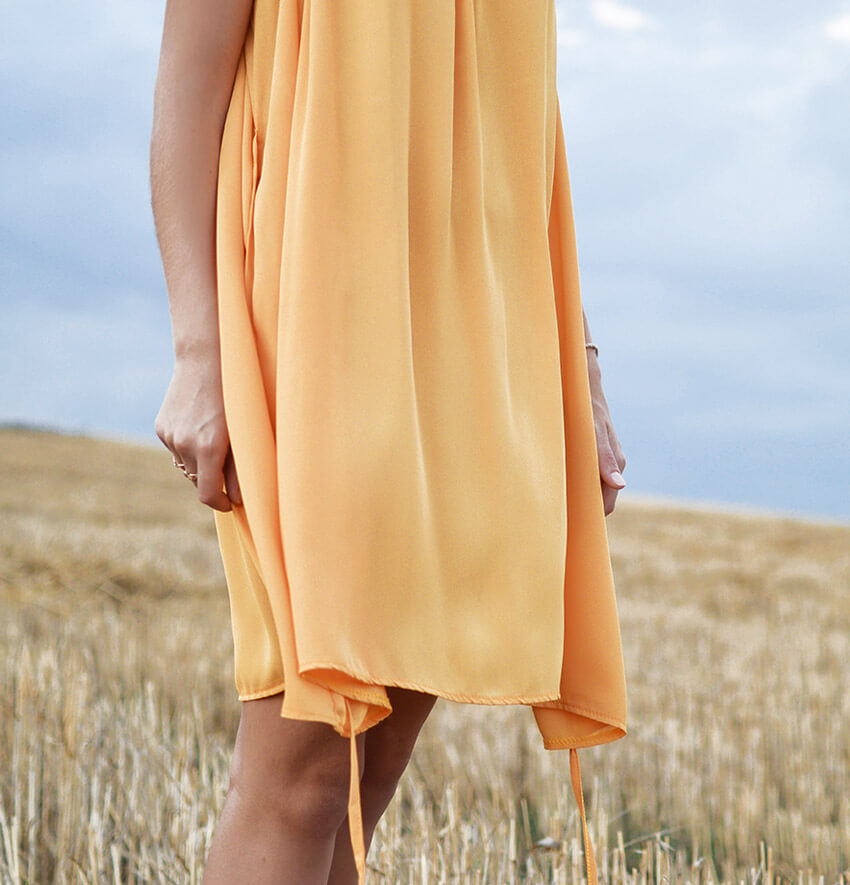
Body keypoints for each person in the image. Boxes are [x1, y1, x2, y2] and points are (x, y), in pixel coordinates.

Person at [150, 1, 628, 883]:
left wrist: (580, 362)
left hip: (479, 325)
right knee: (306, 765)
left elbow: (520, 125)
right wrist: (197, 348)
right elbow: (189, 78)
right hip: (317, 303)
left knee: (365, 776)